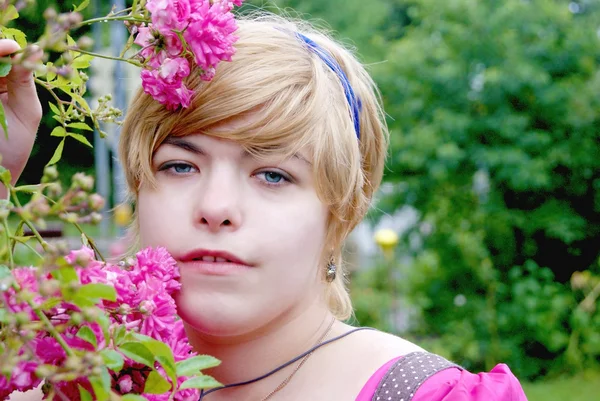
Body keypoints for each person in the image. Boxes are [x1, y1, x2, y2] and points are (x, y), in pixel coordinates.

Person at [1, 12, 529, 401]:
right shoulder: (56, 372)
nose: (216, 207)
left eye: (273, 174)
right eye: (181, 166)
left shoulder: (427, 396)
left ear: (341, 210)